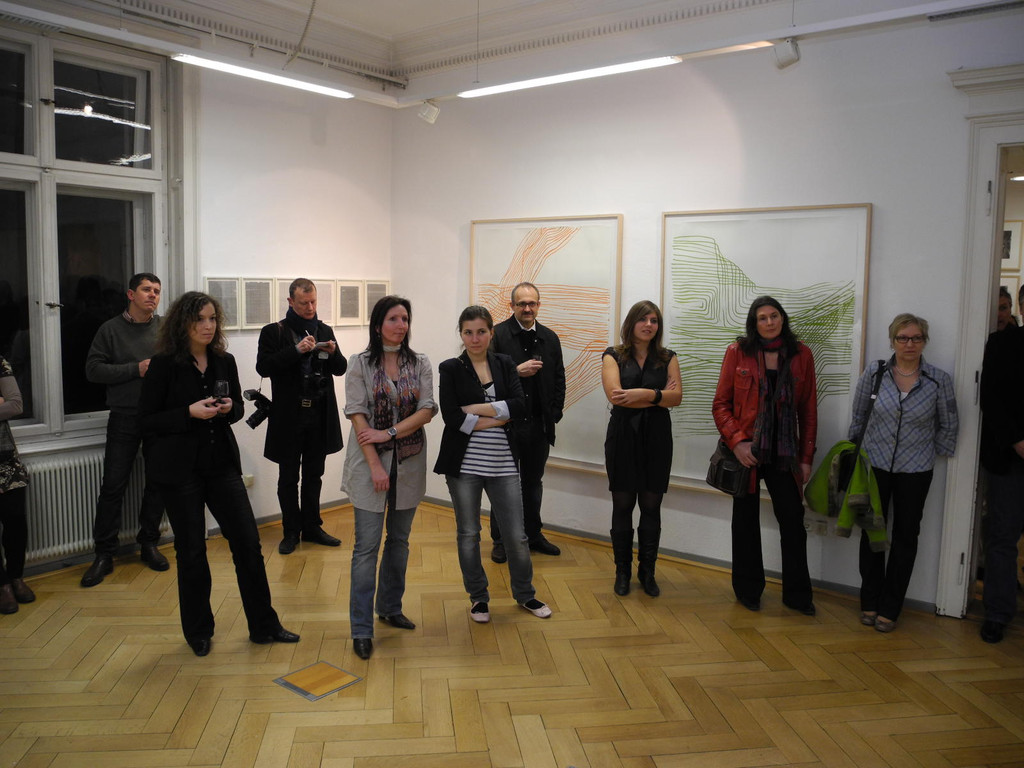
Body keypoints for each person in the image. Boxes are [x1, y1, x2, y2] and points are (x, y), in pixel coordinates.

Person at [140, 291, 299, 657]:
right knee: (192, 551)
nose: (208, 326)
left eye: (212, 318)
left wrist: (230, 409)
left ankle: (264, 625)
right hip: (180, 471)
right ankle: (199, 631)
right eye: (199, 319)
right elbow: (146, 421)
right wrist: (188, 412)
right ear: (182, 324)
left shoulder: (224, 361)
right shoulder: (164, 365)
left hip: (221, 465)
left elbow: (238, 408)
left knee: (248, 544)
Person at [434, 305, 553, 623]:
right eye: (468, 332)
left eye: (481, 332)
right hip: (464, 466)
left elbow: (519, 406)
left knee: (516, 535)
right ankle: (478, 598)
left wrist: (475, 409)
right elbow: (452, 417)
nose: (475, 338)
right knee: (468, 534)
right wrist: (498, 415)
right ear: (461, 334)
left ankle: (525, 594)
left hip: (503, 464)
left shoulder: (504, 363)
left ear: (491, 333)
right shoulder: (451, 368)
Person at [849, 314, 957, 632]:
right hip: (875, 465)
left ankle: (890, 607)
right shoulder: (875, 373)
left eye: (916, 338)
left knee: (906, 537)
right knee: (872, 533)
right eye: (903, 338)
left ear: (925, 341)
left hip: (916, 470)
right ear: (893, 340)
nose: (909, 344)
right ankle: (870, 600)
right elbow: (859, 415)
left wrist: (929, 451)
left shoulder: (938, 380)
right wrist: (855, 453)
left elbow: (949, 424)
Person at [342, 296, 436, 661]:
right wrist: (376, 466)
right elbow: (358, 416)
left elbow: (427, 409)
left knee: (399, 541)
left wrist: (391, 432)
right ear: (378, 324)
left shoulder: (419, 362)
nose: (401, 325)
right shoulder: (360, 363)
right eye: (394, 319)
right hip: (370, 466)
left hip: (409, 463)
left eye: (405, 319)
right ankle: (361, 628)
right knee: (366, 548)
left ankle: (390, 608)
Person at [712, 296, 818, 615]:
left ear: (782, 319)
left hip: (784, 452)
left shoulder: (801, 354)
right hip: (748, 451)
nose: (769, 322)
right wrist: (738, 443)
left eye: (774, 316)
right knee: (745, 522)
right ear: (754, 323)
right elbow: (721, 405)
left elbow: (808, 411)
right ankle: (748, 591)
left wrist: (806, 458)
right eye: (762, 318)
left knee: (793, 520)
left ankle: (797, 596)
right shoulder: (738, 352)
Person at [81, 272, 167, 587]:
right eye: (146, 290)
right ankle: (104, 554)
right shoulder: (110, 329)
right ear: (131, 295)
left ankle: (149, 543)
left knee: (158, 483)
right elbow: (93, 370)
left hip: (159, 417)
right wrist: (136, 369)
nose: (153, 295)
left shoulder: (165, 328)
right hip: (124, 416)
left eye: (156, 291)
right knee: (113, 486)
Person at [256, 278, 347, 555]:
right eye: (303, 303)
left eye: (313, 302)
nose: (310, 307)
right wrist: (296, 351)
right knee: (288, 477)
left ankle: (312, 527)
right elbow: (264, 367)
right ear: (290, 302)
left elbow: (340, 368)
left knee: (314, 475)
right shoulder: (274, 332)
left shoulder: (324, 330)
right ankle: (290, 531)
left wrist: (333, 353)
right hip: (288, 417)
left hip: (319, 415)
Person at [601, 300, 682, 597]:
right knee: (622, 505)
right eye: (643, 319)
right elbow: (616, 397)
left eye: (654, 320)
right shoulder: (613, 355)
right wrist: (659, 396)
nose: (649, 325)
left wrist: (641, 393)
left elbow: (677, 398)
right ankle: (622, 572)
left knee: (651, 506)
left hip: (657, 438)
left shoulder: (668, 357)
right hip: (623, 436)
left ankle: (647, 572)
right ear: (631, 323)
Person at [489, 281, 565, 563]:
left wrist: (554, 413)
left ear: (539, 305)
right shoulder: (497, 335)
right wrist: (515, 371)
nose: (527, 308)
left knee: (533, 484)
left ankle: (533, 535)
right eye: (521, 303)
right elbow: (485, 379)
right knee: (503, 485)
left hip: (538, 425)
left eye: (532, 303)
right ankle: (501, 540)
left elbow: (559, 378)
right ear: (512, 306)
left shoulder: (549, 338)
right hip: (507, 425)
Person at [979, 311, 1022, 644]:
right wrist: (1017, 440)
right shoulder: (1001, 343)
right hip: (1010, 457)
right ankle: (997, 612)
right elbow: (991, 398)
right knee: (1003, 536)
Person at [0, 354, 33, 614]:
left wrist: (5, 403)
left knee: (15, 521)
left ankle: (16, 577)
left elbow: (15, 405)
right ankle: (3, 586)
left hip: (6, 461)